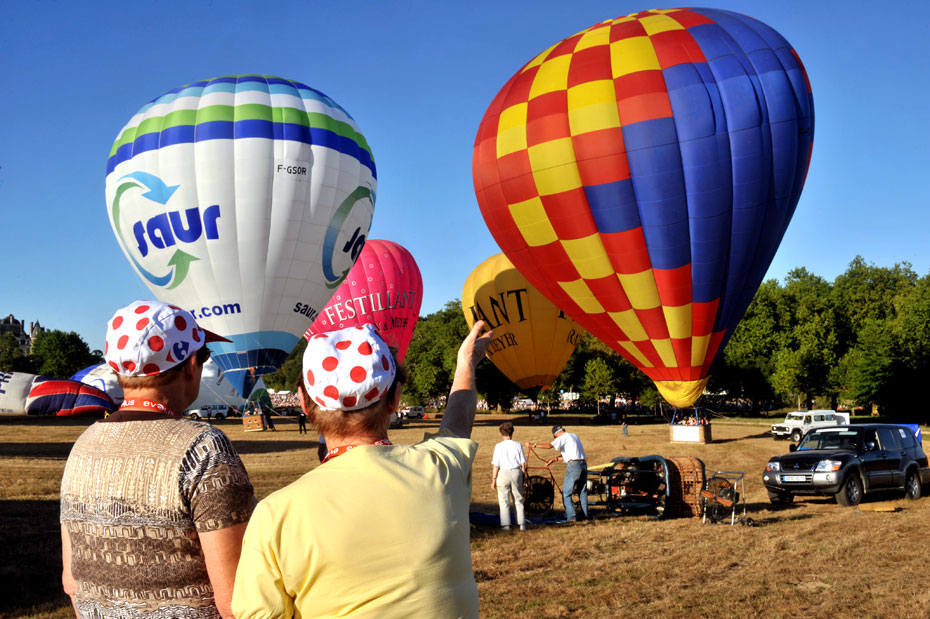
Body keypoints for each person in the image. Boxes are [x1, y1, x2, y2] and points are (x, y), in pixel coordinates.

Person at [233, 321, 492, 618]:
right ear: (395, 398)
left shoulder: (275, 515)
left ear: (304, 402)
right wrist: (466, 361)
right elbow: (459, 421)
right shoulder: (440, 469)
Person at [59, 300, 256, 618]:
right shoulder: (203, 448)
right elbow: (236, 598)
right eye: (204, 356)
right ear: (191, 365)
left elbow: (72, 581)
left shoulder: (83, 445)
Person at [529, 425, 589, 522]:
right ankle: (585, 515)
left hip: (573, 466)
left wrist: (533, 445)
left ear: (556, 434)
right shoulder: (574, 436)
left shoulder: (562, 437)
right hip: (583, 464)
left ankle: (571, 517)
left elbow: (549, 446)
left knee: (566, 493)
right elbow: (572, 453)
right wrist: (554, 459)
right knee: (582, 492)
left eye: (554, 437)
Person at [491, 421, 527, 531]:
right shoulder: (518, 445)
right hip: (516, 472)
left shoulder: (498, 446)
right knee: (518, 499)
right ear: (512, 432)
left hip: (503, 472)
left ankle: (506, 525)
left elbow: (496, 465)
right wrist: (524, 474)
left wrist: (494, 479)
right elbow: (523, 463)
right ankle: (522, 524)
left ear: (501, 434)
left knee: (503, 500)